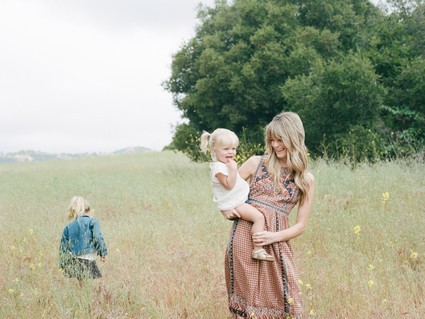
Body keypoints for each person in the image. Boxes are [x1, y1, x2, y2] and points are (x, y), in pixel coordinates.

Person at [224, 112, 315, 319]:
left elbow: (301, 225)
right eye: (272, 140)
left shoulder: (306, 179)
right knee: (247, 302)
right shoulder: (256, 163)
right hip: (245, 238)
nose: (275, 145)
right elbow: (226, 191)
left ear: (294, 138)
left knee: (287, 301)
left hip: (278, 241)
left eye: (280, 139)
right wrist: (225, 209)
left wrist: (273, 237)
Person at [200, 128, 274, 261]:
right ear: (214, 149)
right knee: (259, 218)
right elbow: (229, 184)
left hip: (239, 200)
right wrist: (233, 169)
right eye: (225, 149)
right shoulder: (218, 168)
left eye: (233, 149)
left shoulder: (223, 165)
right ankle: (257, 249)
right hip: (235, 204)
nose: (231, 152)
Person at [58, 196, 108, 287]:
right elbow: (97, 237)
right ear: (88, 211)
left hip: (74, 260)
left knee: (82, 286)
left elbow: (63, 248)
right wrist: (102, 253)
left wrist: (62, 265)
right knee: (95, 286)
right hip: (88, 258)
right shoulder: (92, 221)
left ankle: (82, 299)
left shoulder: (68, 227)